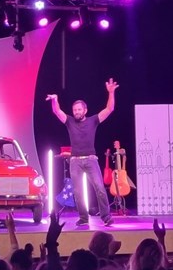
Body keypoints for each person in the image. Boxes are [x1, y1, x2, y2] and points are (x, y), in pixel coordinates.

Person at [46, 78, 119, 227]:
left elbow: (109, 109)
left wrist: (111, 93)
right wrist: (55, 100)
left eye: (79, 110)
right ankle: (83, 218)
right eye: (74, 110)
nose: (76, 112)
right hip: (75, 161)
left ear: (85, 110)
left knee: (100, 188)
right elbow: (57, 111)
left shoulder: (93, 120)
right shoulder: (69, 121)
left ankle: (106, 217)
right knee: (78, 192)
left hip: (91, 159)